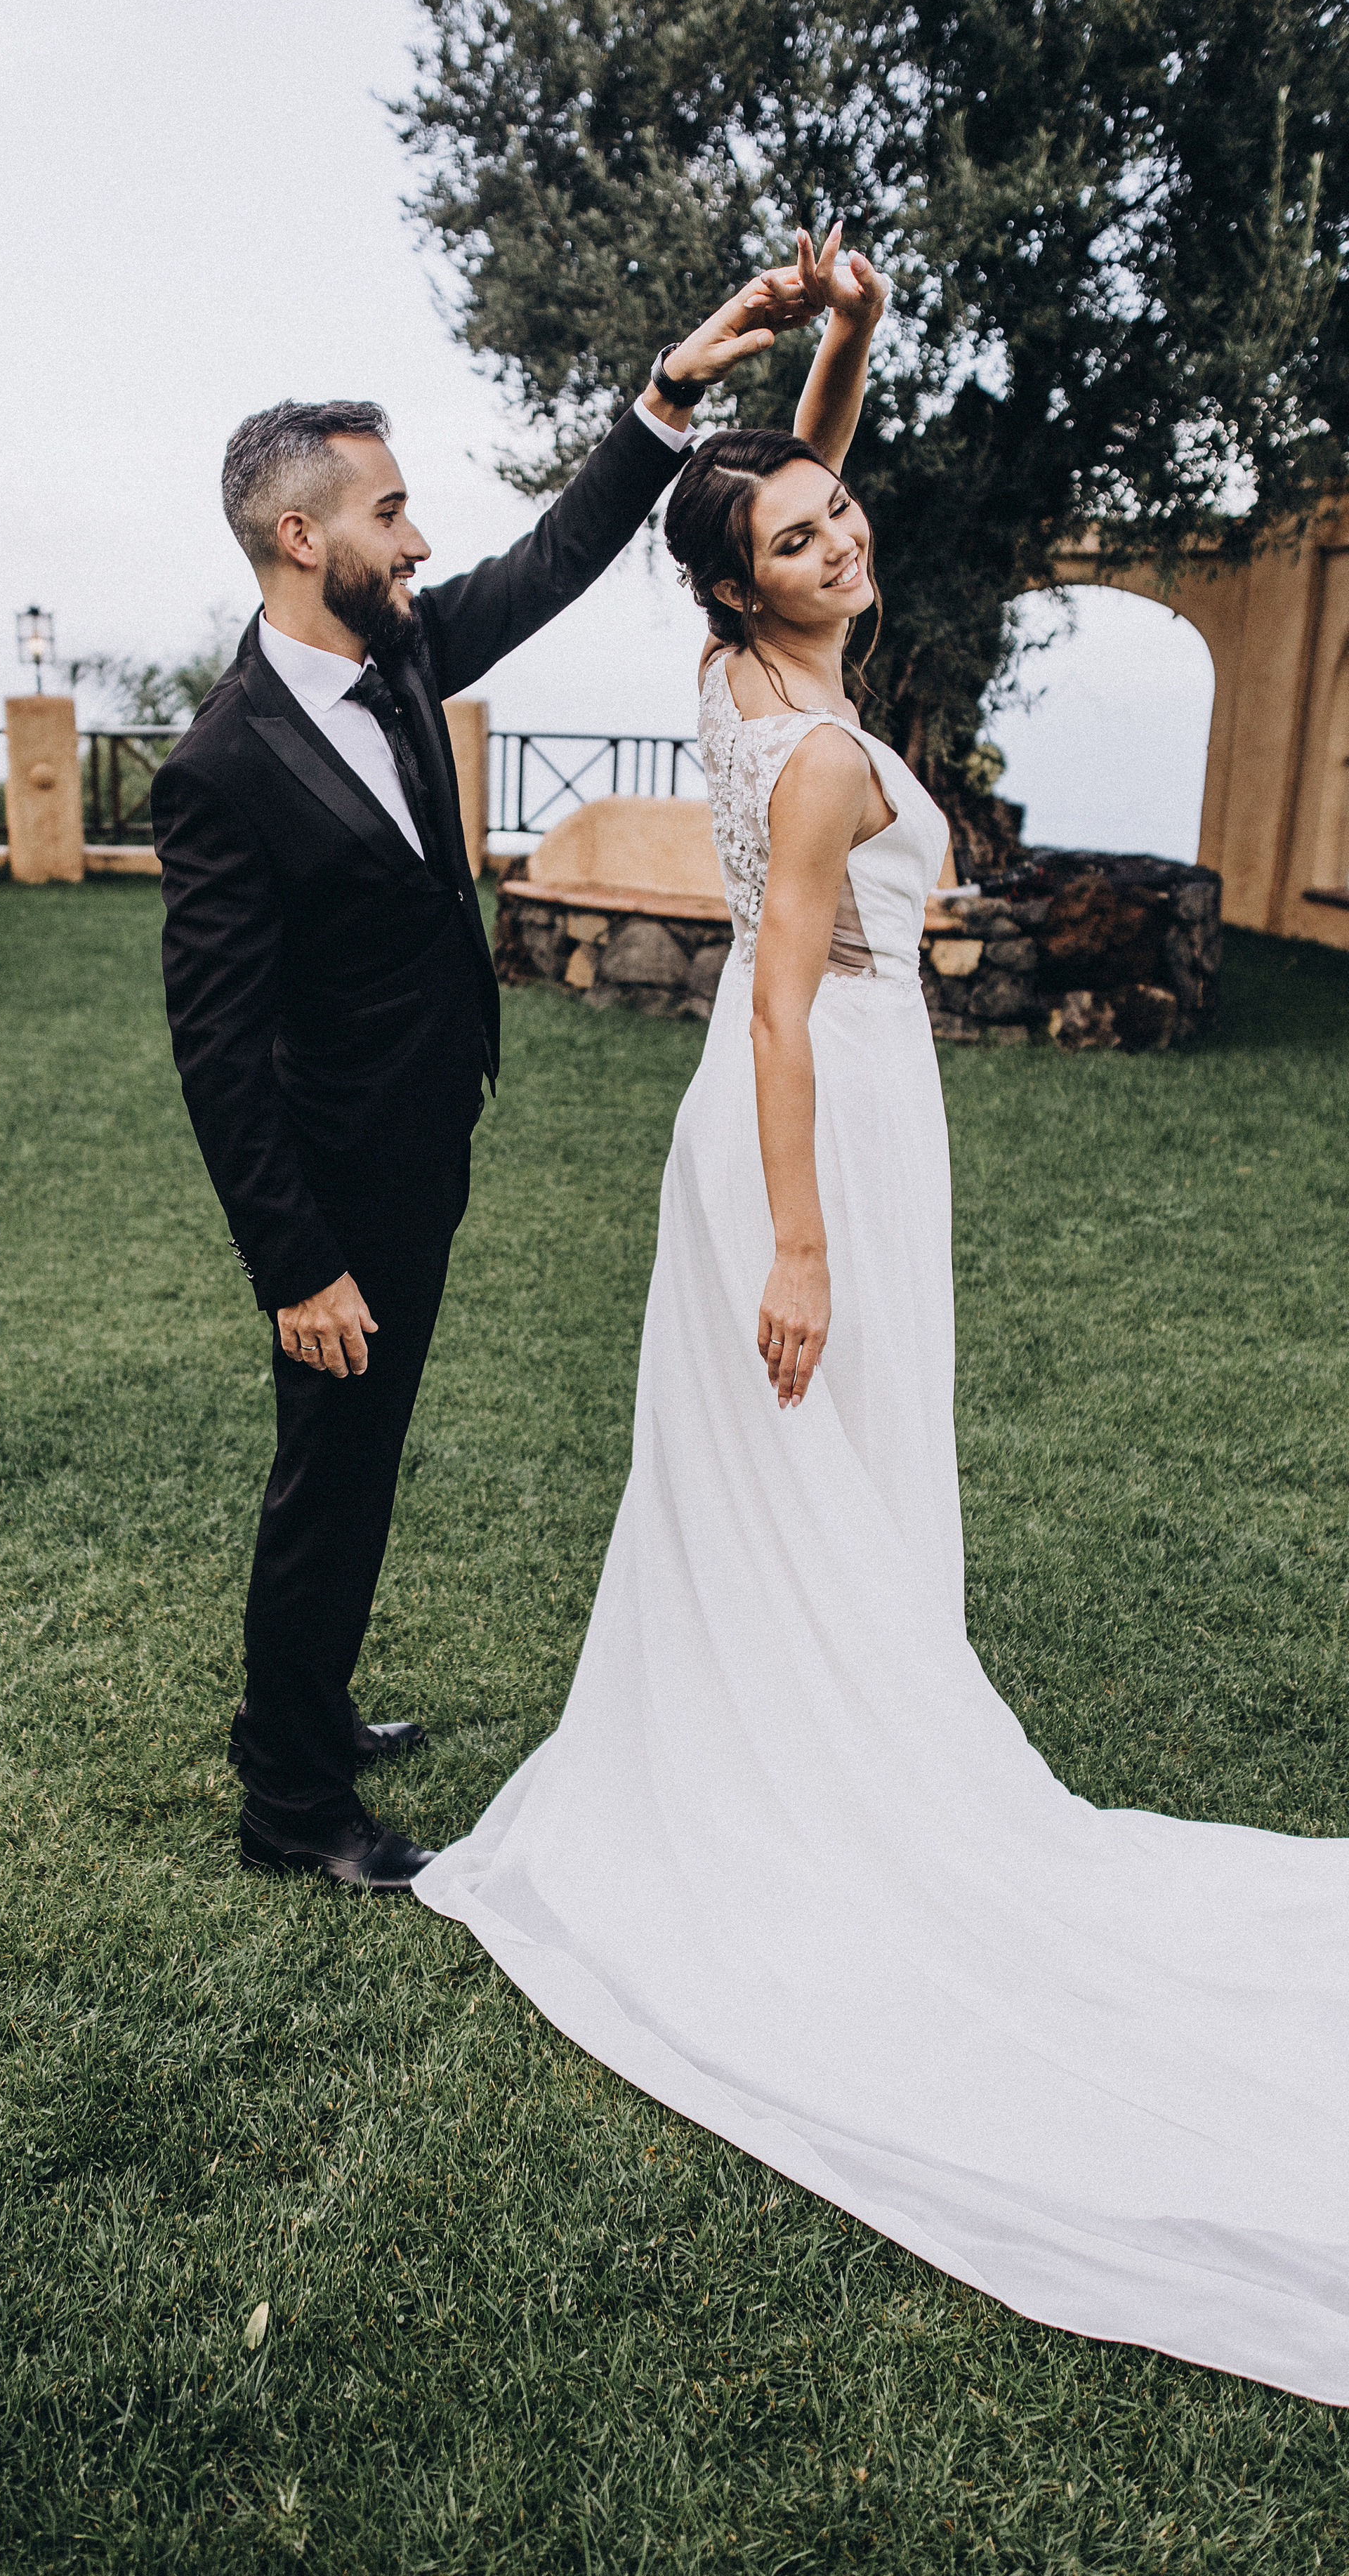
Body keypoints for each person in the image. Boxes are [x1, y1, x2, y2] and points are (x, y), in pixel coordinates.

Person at [416, 247, 1349, 2403]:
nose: (841, 534)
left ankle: (783, 1734)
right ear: (741, 588)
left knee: (800, 1478)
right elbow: (773, 1007)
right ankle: (821, 1803)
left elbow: (787, 476)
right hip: (815, 1117)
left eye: (837, 512)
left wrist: (834, 335)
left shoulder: (746, 668)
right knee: (816, 1439)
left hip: (812, 1112)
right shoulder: (823, 754)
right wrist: (804, 1247)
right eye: (801, 536)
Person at [152, 242, 864, 1892]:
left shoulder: (398, 653)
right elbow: (214, 1049)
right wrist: (295, 1263)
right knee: (330, 1473)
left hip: (424, 1142)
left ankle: (307, 1709)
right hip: (334, 1180)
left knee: (362, 1459)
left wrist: (677, 381)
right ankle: (289, 1804)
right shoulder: (220, 769)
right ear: (300, 537)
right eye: (390, 511)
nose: (416, 538)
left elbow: (557, 554)